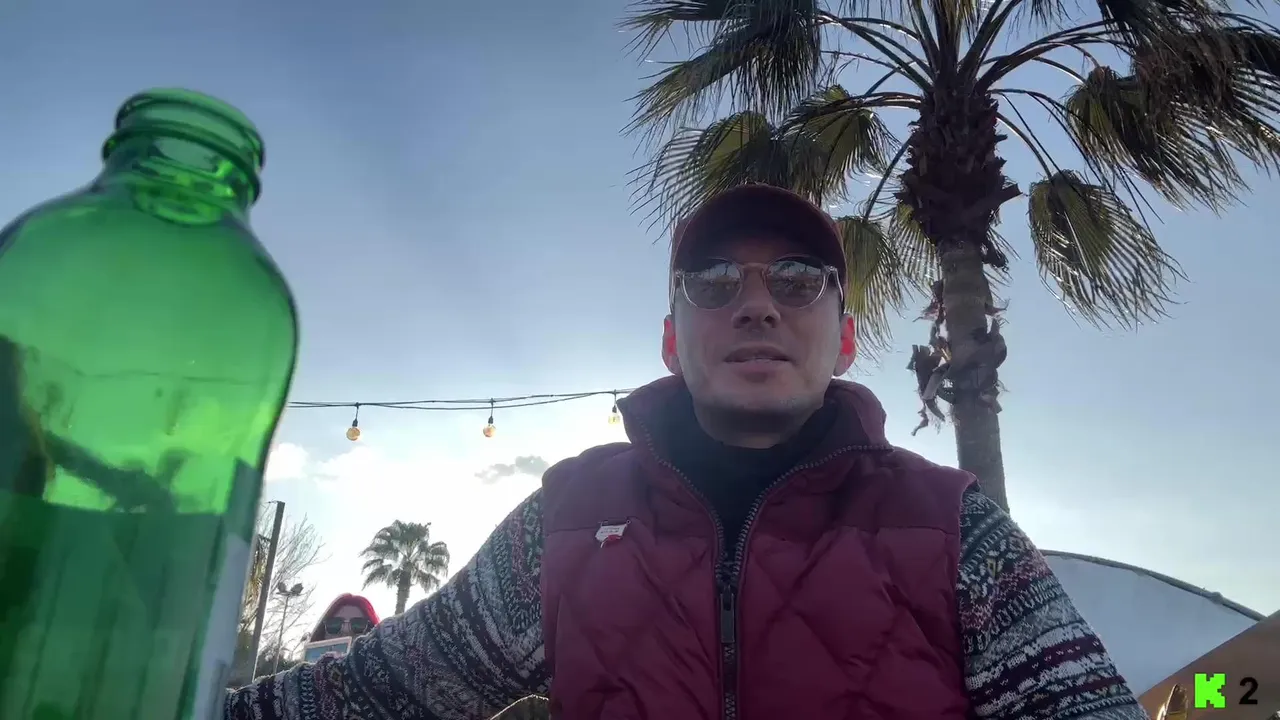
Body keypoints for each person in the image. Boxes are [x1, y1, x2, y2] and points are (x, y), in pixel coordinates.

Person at [226, 185, 1149, 720]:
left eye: (798, 280)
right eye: (713, 282)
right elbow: (377, 692)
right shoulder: (567, 522)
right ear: (672, 340)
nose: (757, 305)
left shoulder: (951, 526)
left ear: (846, 338)